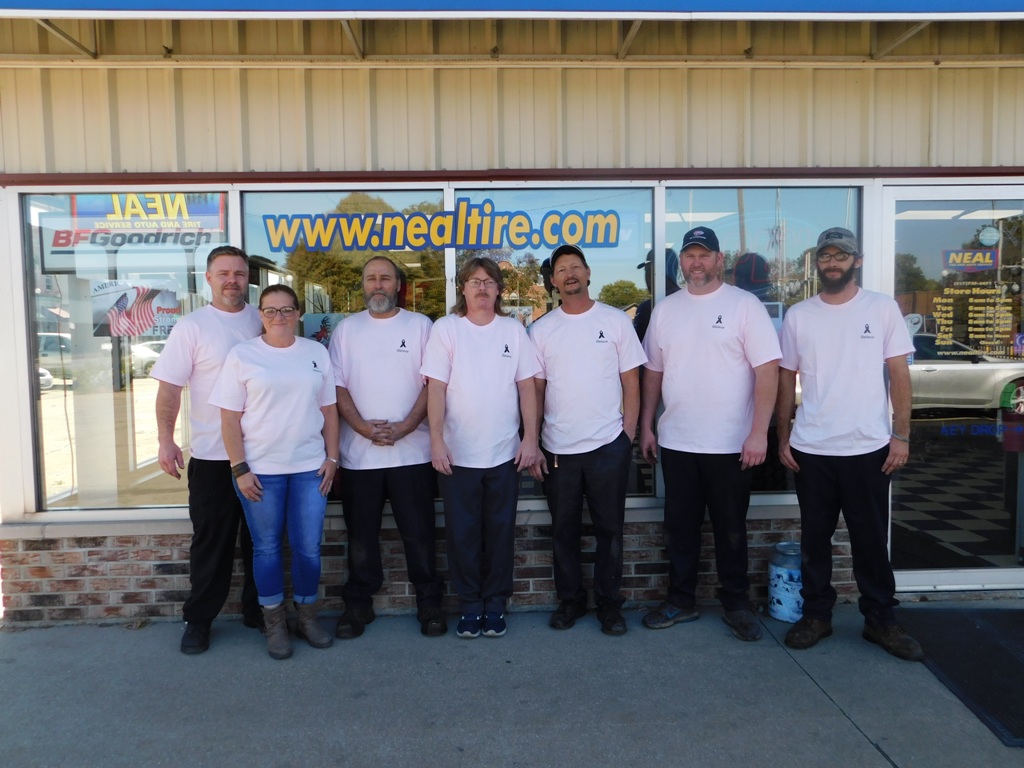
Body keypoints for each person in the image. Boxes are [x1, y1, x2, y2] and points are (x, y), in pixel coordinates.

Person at [776, 227, 923, 661]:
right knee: (814, 541)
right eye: (825, 256)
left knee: (871, 541)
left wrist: (901, 435)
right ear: (817, 263)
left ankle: (881, 620)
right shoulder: (799, 315)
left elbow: (899, 374)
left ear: (856, 261)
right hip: (812, 449)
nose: (832, 263)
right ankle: (816, 616)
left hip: (869, 448)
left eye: (841, 256)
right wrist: (783, 435)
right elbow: (786, 378)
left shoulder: (881, 308)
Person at [639, 226, 781, 642]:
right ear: (681, 262)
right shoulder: (666, 310)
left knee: (730, 529)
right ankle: (680, 600)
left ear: (720, 259)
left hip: (731, 444)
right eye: (689, 256)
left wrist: (759, 433)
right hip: (677, 442)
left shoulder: (744, 306)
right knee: (679, 529)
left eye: (704, 255)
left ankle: (736, 604)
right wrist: (646, 425)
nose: (696, 263)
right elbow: (653, 372)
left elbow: (767, 371)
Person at [211, 284, 340, 660]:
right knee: (266, 549)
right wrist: (240, 468)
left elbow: (329, 411)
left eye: (286, 310)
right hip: (261, 471)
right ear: (261, 315)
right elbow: (229, 418)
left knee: (308, 549)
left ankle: (307, 617)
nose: (279, 316)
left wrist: (332, 459)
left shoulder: (315, 353)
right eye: (270, 310)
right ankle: (275, 624)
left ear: (298, 314)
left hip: (309, 469)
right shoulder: (243, 355)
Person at [529, 244, 647, 635]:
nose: (570, 274)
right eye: (562, 269)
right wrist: (534, 441)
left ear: (588, 273)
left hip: (607, 446)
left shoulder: (614, 321)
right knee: (563, 531)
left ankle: (610, 606)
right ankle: (571, 601)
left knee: (609, 530)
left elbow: (632, 382)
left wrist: (626, 436)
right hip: (558, 449)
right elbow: (537, 391)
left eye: (575, 266)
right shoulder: (541, 330)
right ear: (553, 280)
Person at [421, 256, 541, 639]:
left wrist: (531, 438)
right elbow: (436, 388)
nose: (482, 288)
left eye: (489, 281)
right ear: (463, 288)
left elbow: (527, 387)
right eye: (475, 281)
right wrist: (436, 440)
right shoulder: (446, 329)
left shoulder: (513, 330)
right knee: (463, 535)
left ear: (499, 289)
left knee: (500, 533)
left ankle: (496, 605)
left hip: (504, 453)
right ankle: (470, 606)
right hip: (458, 455)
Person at [152, 245, 263, 655]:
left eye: (239, 273)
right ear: (209, 278)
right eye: (224, 273)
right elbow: (169, 388)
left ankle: (258, 611)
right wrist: (166, 439)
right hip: (214, 457)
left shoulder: (264, 319)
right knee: (212, 544)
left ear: (247, 278)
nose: (232, 280)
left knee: (261, 543)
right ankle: (199, 620)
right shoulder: (192, 327)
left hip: (264, 455)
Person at [328, 256, 446, 640]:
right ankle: (358, 605)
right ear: (363, 285)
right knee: (361, 537)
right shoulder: (346, 330)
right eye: (371, 278)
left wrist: (407, 426)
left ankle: (429, 603)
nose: (378, 285)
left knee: (419, 534)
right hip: (359, 455)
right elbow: (336, 386)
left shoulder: (421, 326)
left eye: (385, 278)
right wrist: (362, 428)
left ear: (398, 284)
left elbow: (434, 383)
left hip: (412, 454)